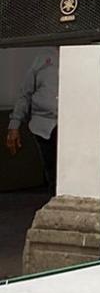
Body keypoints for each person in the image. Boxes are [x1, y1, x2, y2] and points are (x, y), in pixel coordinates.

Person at [6, 48, 59, 192]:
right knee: (52, 173)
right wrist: (14, 125)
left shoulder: (83, 53)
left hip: (74, 125)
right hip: (44, 125)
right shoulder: (43, 57)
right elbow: (25, 93)